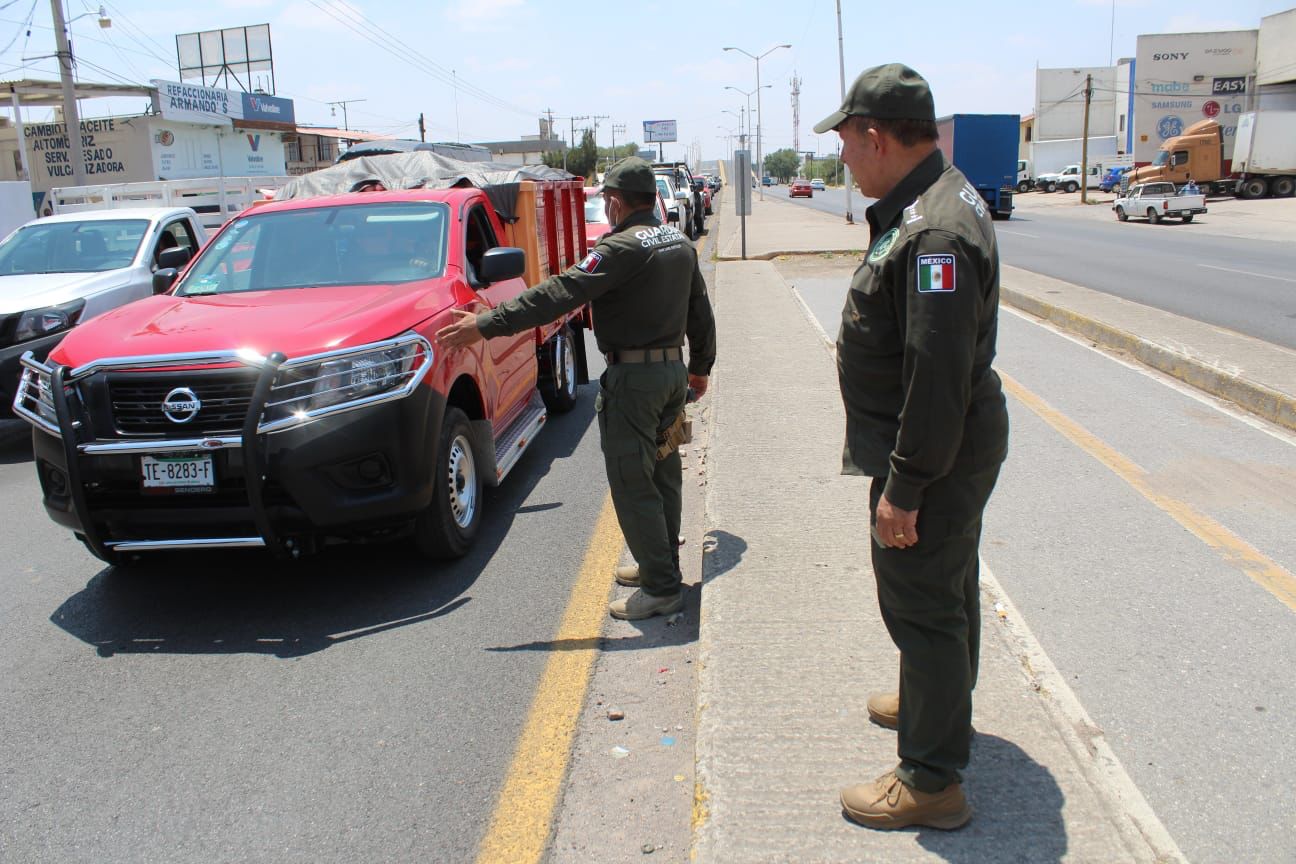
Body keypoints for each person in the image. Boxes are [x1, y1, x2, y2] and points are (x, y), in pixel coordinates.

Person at [814, 63, 1009, 831]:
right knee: (947, 582)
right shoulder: (936, 196)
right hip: (946, 439)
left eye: (845, 142)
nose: (843, 159)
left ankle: (931, 780)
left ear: (874, 135)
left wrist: (905, 486)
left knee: (924, 596)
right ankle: (935, 702)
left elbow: (936, 374)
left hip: (935, 446)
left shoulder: (932, 230)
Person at [436, 157, 716, 621]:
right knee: (664, 474)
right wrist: (700, 367)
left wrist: (485, 324)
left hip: (635, 382)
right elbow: (700, 311)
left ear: (615, 202)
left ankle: (662, 587)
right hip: (670, 374)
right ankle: (659, 563)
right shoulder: (677, 242)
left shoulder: (619, 249)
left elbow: (558, 293)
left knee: (633, 482)